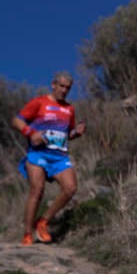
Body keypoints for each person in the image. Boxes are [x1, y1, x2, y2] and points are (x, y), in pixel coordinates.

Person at [13, 72, 86, 245]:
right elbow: (17, 120)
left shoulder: (69, 109)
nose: (64, 90)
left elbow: (66, 134)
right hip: (38, 154)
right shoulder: (39, 102)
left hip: (59, 157)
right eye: (61, 86)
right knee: (37, 191)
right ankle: (27, 234)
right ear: (53, 85)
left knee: (70, 188)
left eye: (68, 88)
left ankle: (43, 221)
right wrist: (31, 133)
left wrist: (76, 133)